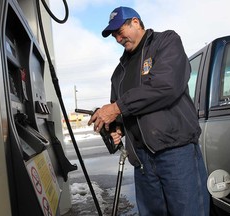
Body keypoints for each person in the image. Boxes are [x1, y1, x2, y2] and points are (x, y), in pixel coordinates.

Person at [88, 6, 210, 216]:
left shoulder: (166, 42)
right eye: (114, 36)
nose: (118, 39)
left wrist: (117, 108)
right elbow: (121, 111)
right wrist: (115, 128)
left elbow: (166, 87)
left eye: (119, 31)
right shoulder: (119, 73)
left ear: (135, 22)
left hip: (175, 152)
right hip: (142, 162)